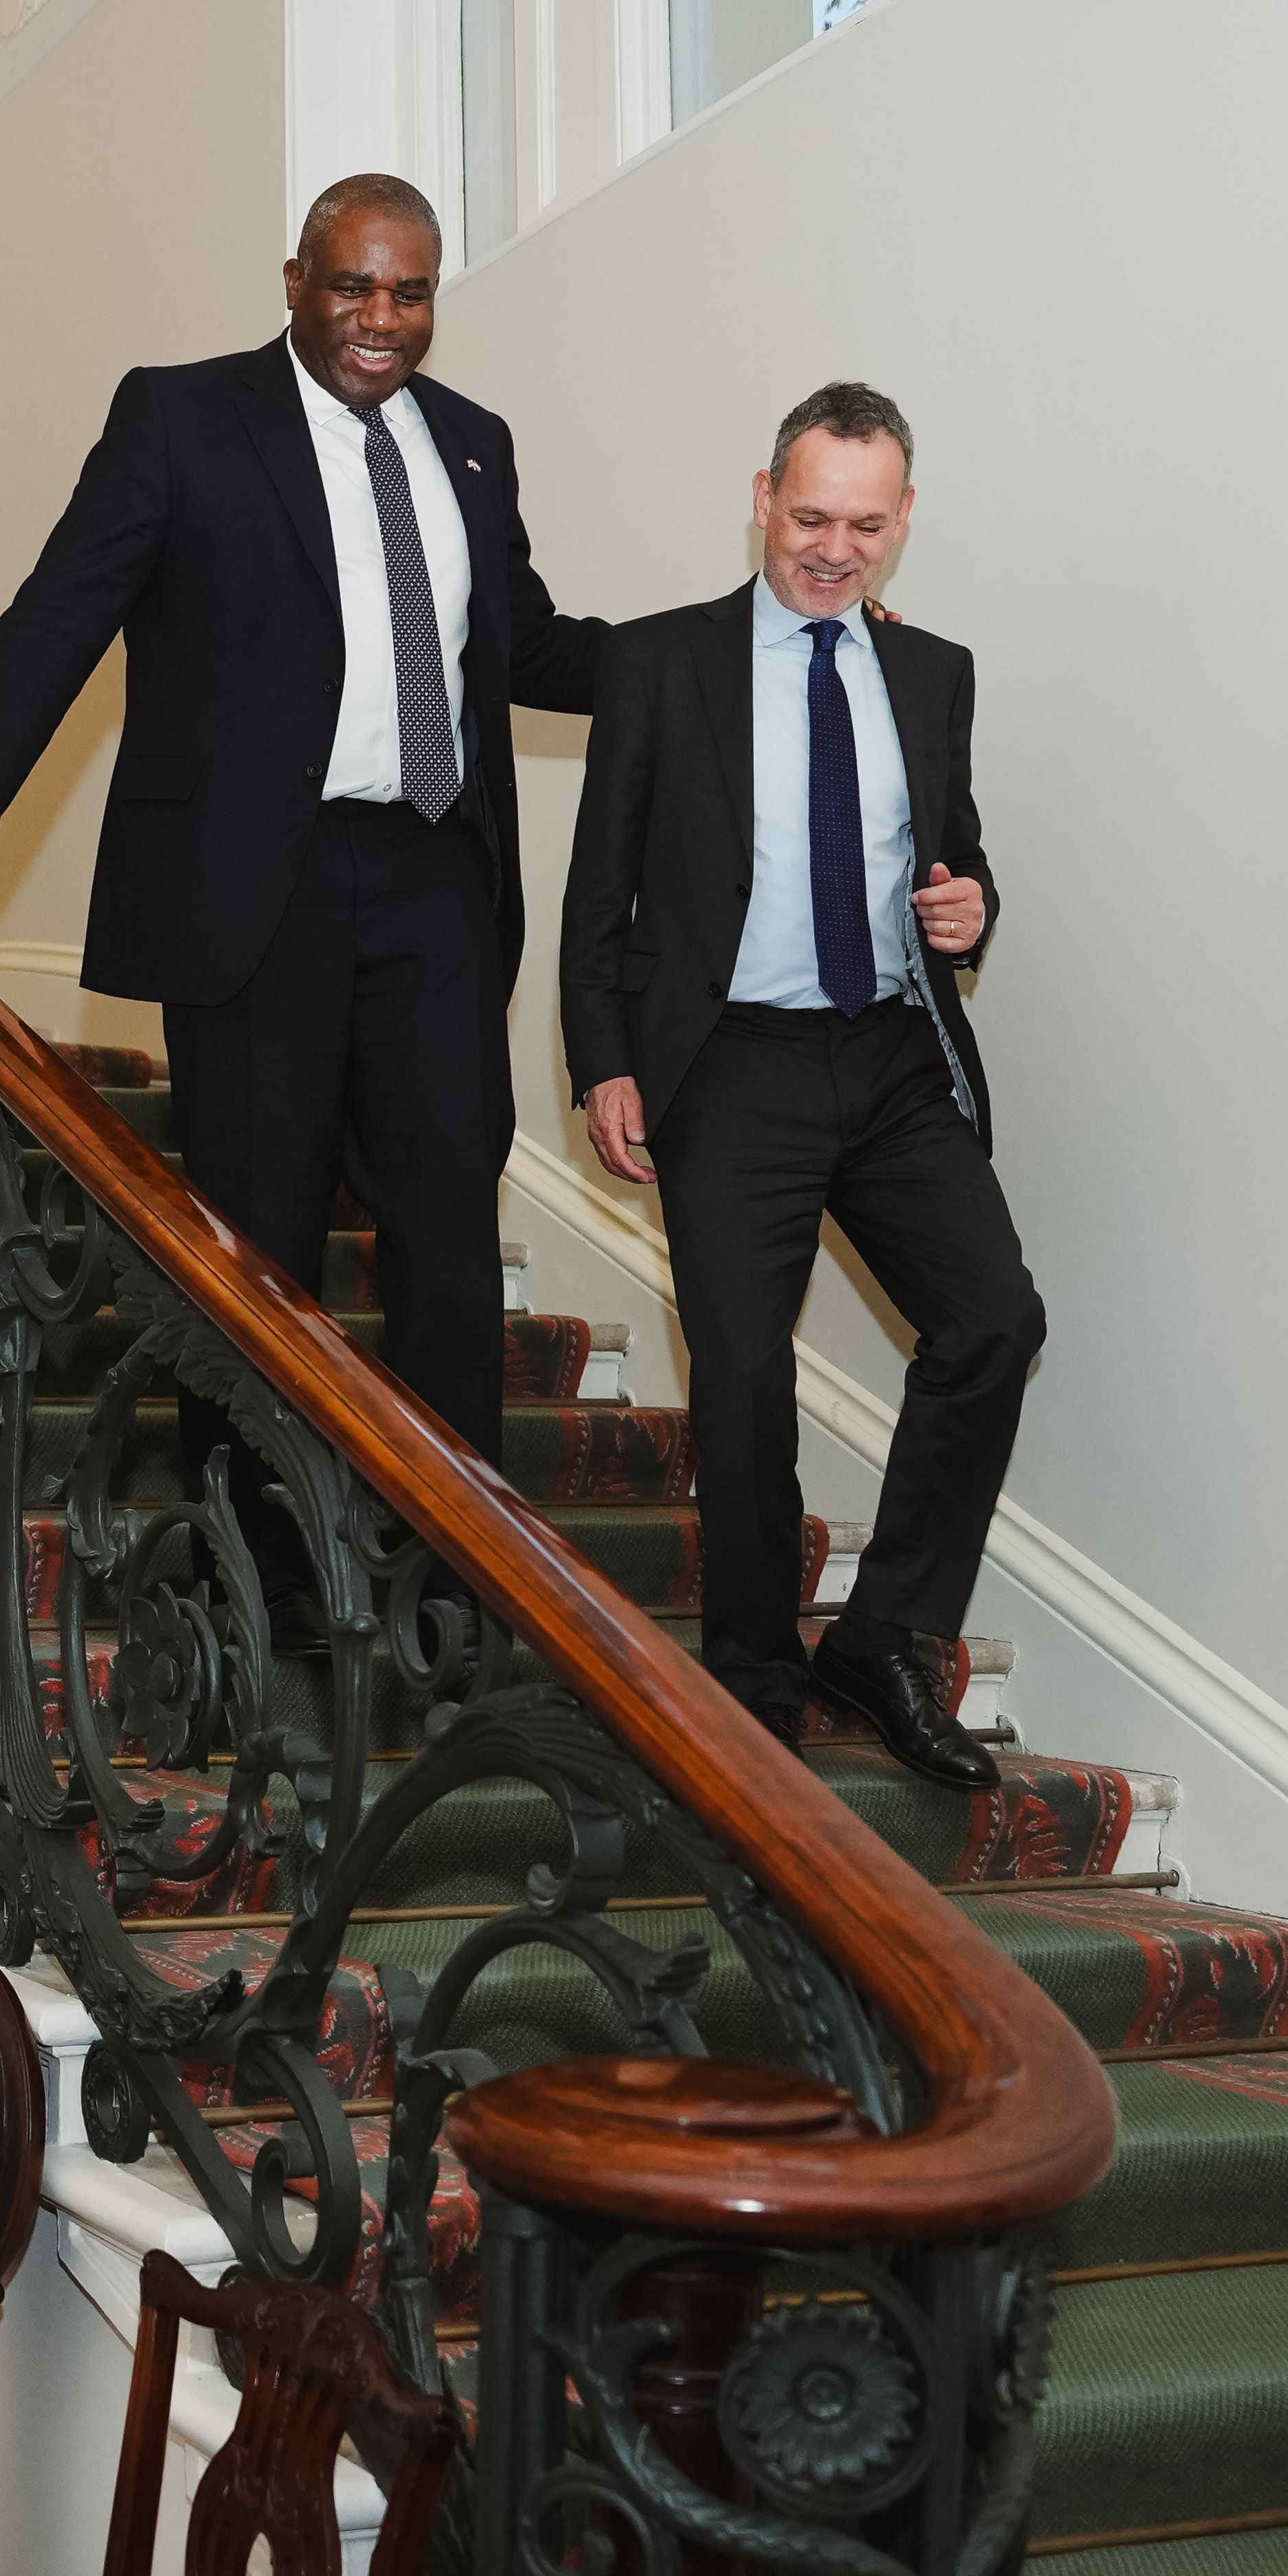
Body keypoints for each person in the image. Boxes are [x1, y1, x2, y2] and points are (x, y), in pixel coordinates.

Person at [0, 174, 609, 1467]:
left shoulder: (472, 440)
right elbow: (55, 622)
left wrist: (732, 656)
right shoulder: (180, 417)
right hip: (256, 888)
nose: (380, 315)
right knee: (255, 1247)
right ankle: (255, 1584)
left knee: (451, 1236)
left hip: (434, 879)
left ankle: (460, 1588)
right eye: (352, 283)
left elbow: (523, 646)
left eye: (409, 291)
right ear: (294, 283)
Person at [557, 382, 1035, 1789]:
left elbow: (953, 855)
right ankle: (755, 1680)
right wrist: (601, 1061)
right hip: (731, 1063)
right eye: (810, 514)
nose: (835, 547)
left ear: (901, 521)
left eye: (865, 524)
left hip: (890, 1056)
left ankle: (885, 1638)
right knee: (745, 1379)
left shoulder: (931, 671)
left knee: (993, 1320)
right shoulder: (660, 664)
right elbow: (599, 890)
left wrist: (967, 909)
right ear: (760, 495)